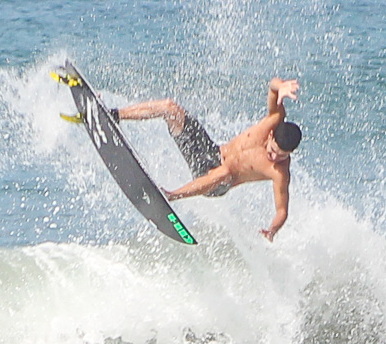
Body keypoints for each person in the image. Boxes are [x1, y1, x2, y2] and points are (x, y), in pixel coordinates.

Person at [111, 78, 301, 241]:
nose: (275, 157)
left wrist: (273, 229)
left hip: (218, 184)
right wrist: (281, 85)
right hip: (208, 153)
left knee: (225, 171)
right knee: (170, 108)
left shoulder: (280, 172)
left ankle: (169, 196)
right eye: (273, 151)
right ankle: (115, 115)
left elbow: (282, 211)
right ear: (270, 136)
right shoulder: (274, 119)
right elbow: (272, 86)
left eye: (282, 155)